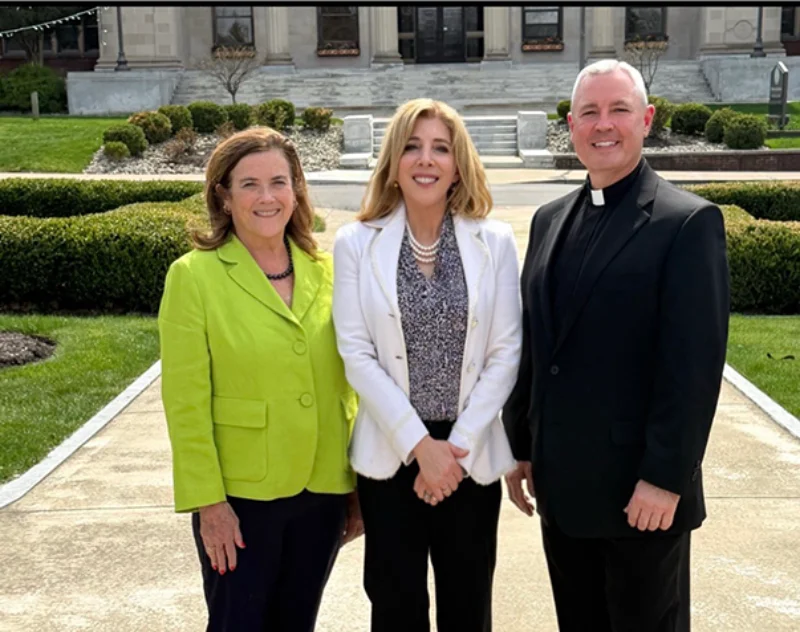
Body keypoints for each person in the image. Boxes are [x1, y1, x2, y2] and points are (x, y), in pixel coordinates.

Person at [503, 59, 730, 632]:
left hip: (642, 498)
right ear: (572, 126)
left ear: (646, 119)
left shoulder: (687, 223)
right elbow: (537, 344)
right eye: (589, 112)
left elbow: (693, 366)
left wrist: (666, 477)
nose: (603, 124)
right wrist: (521, 443)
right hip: (563, 491)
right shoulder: (549, 220)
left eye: (618, 110)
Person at [158, 126, 363, 632]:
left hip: (323, 490)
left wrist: (358, 484)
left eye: (278, 182)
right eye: (249, 184)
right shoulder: (193, 276)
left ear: (296, 190)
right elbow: (185, 403)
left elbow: (353, 383)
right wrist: (209, 503)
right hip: (240, 500)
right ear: (224, 197)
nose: (267, 197)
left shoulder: (329, 271)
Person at [332, 98, 521, 632]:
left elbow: (506, 352)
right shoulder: (355, 244)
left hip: (469, 457)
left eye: (441, 148)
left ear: (458, 165)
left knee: (468, 608)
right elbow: (356, 353)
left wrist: (452, 451)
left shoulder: (495, 241)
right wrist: (420, 447)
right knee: (395, 608)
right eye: (412, 147)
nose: (426, 160)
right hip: (392, 457)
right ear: (393, 162)